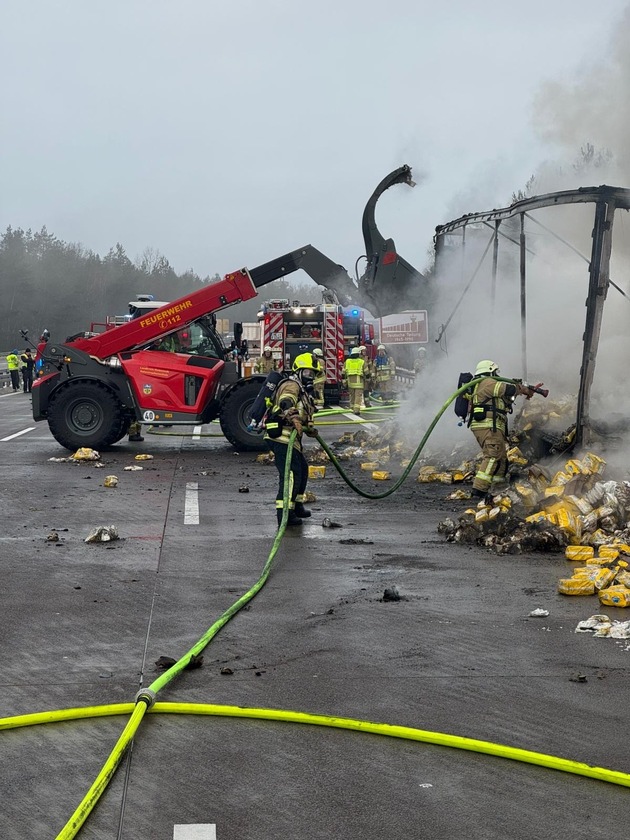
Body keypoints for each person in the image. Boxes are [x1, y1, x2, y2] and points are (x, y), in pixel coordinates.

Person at [264, 352, 318, 528]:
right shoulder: (291, 385)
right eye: (308, 373)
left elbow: (305, 413)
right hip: (281, 437)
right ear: (299, 371)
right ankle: (284, 514)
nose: (311, 378)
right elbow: (286, 402)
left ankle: (297, 506)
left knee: (302, 469)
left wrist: (309, 428)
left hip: (292, 439)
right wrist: (294, 418)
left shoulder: (302, 389)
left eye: (313, 374)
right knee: (291, 475)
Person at [467, 359, 534, 499]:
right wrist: (518, 387)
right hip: (487, 425)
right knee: (493, 454)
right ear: (490, 370)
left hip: (493, 425)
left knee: (501, 457)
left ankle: (499, 487)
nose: (497, 374)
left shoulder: (485, 384)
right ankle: (479, 489)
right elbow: (506, 389)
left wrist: (524, 391)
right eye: (495, 371)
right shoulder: (487, 382)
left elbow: (506, 398)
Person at [343, 346, 365, 415]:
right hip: (359, 383)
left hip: (350, 382)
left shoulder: (347, 361)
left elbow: (343, 372)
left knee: (352, 396)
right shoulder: (361, 362)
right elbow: (366, 371)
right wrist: (368, 378)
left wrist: (343, 380)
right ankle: (356, 410)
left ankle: (352, 408)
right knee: (358, 396)